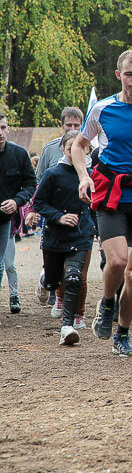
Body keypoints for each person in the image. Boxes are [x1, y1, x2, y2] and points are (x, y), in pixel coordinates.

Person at [74, 50, 132, 355]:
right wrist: (83, 176)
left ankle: (123, 334)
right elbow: (79, 145)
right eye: (129, 74)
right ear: (119, 75)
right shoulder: (102, 109)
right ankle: (106, 303)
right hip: (112, 195)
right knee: (116, 261)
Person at [32, 131, 95, 345]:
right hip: (55, 236)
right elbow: (38, 203)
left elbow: (96, 205)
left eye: (83, 148)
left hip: (81, 234)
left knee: (75, 277)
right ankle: (45, 280)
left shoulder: (91, 175)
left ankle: (67, 326)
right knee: (54, 281)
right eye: (71, 149)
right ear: (63, 149)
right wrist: (59, 216)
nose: (76, 153)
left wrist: (100, 232)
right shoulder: (52, 174)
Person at [0, 116, 35, 321]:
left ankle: (13, 295)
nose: (0, 132)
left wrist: (16, 201)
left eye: (3, 127)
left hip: (5, 220)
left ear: (8, 129)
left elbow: (30, 183)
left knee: (4, 263)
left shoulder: (18, 154)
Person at [36, 107, 84, 180]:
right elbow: (38, 178)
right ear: (62, 125)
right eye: (69, 125)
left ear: (82, 125)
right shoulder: (50, 149)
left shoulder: (89, 148)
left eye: (76, 125)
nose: (72, 129)